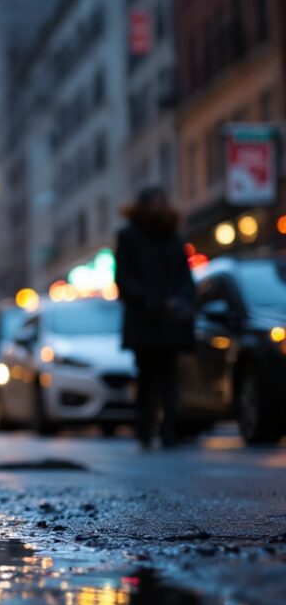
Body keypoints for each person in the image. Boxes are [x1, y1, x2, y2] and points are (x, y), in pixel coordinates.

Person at [114, 186, 195, 449]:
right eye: (155, 202)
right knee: (147, 378)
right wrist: (146, 301)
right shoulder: (128, 237)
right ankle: (145, 429)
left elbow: (186, 277)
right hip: (144, 320)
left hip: (170, 321)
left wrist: (179, 301)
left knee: (170, 378)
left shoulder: (173, 237)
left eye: (163, 202)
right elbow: (123, 278)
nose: (159, 207)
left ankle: (169, 430)